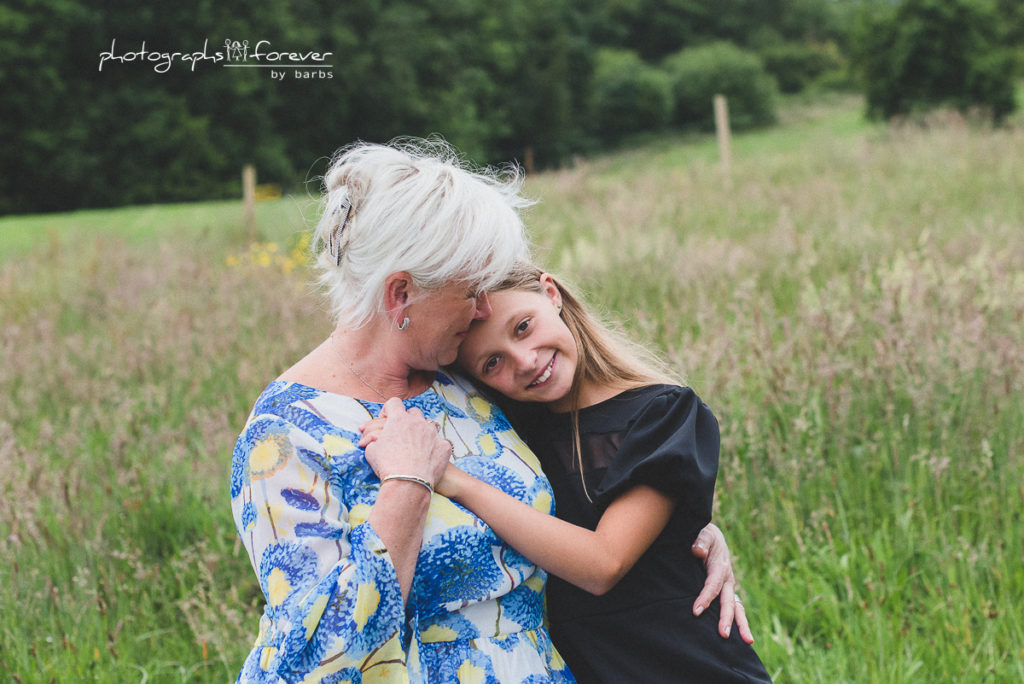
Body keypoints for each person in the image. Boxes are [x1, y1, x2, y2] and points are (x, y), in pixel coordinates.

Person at [230, 139, 747, 683]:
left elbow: (581, 495)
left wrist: (686, 533)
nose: (484, 308)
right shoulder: (288, 434)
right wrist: (409, 482)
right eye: (470, 289)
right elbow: (317, 655)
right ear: (402, 293)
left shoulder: (466, 385)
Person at [416, 265, 772, 682]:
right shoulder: (511, 439)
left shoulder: (662, 414)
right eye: (493, 362)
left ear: (551, 293)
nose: (526, 361)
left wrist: (456, 482)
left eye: (523, 327)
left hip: (687, 663)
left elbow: (603, 564)